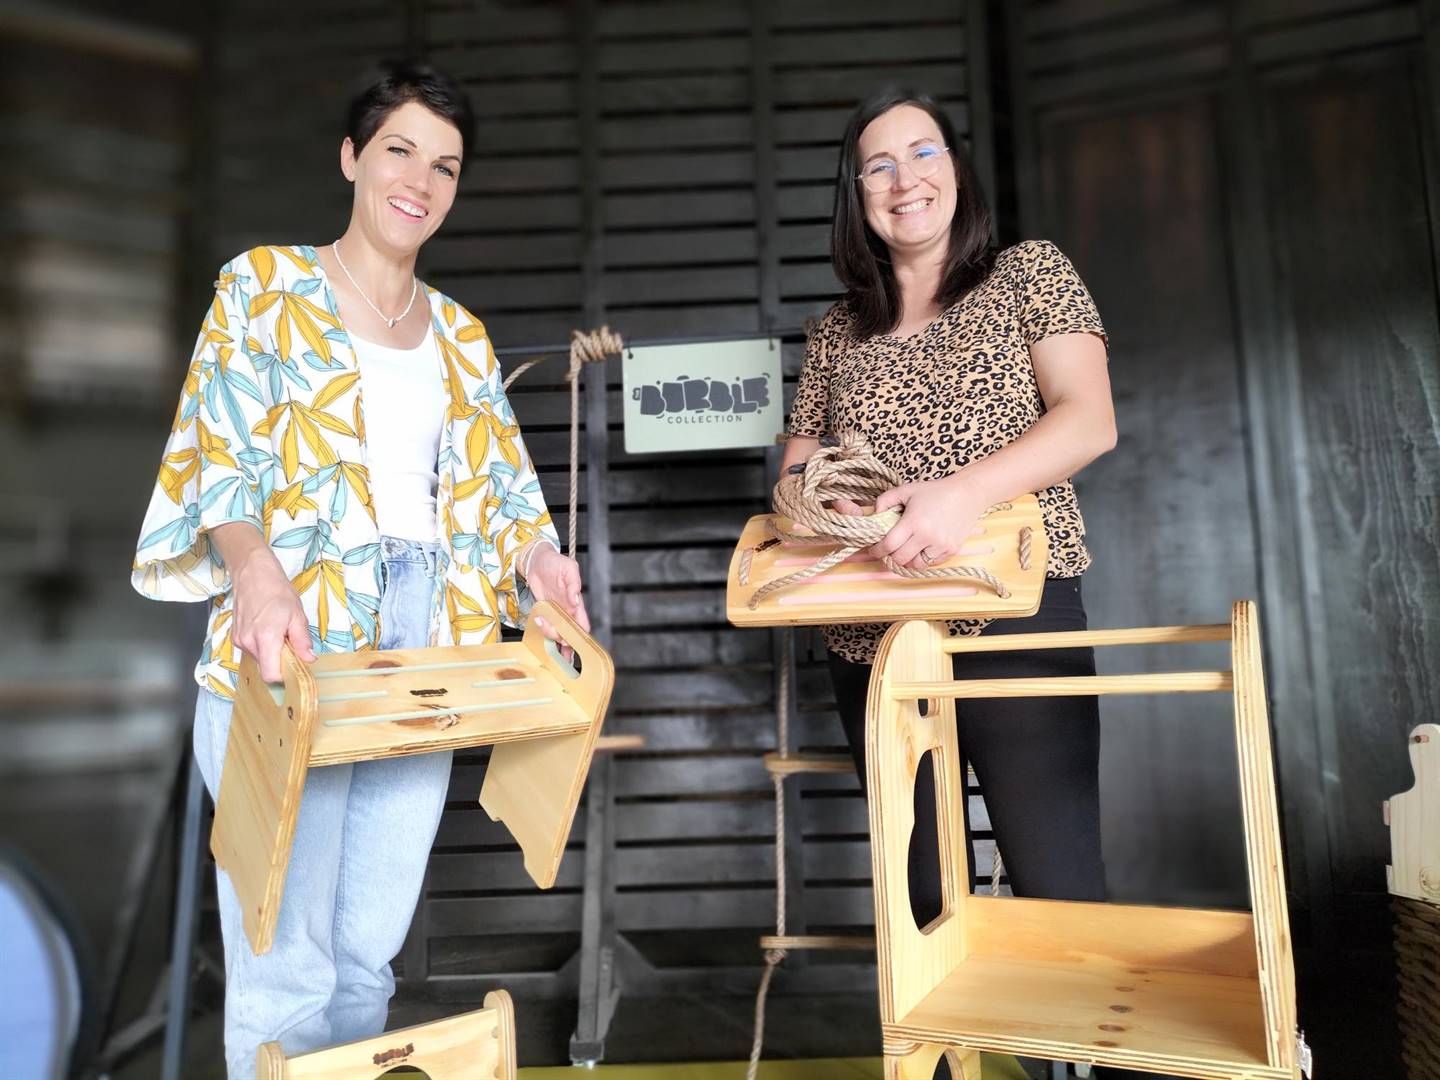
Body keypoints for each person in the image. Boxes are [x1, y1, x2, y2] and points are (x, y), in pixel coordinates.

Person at [131, 60, 587, 1077]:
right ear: (351, 157)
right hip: (292, 629)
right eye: (399, 150)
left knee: (365, 960)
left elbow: (504, 494)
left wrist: (541, 564)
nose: (419, 181)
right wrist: (254, 571)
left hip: (425, 647)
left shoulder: (461, 336)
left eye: (445, 166)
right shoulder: (264, 287)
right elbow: (216, 457)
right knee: (283, 960)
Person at [783, 87, 1169, 1080]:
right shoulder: (834, 333)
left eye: (924, 152)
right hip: (872, 637)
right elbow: (792, 481)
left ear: (956, 166)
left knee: (1058, 884)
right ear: (855, 193)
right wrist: (831, 507)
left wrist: (959, 495)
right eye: (878, 164)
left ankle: (1088, 1067)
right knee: (921, 903)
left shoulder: (1028, 273)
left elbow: (1087, 418)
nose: (905, 179)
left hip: (1015, 611)